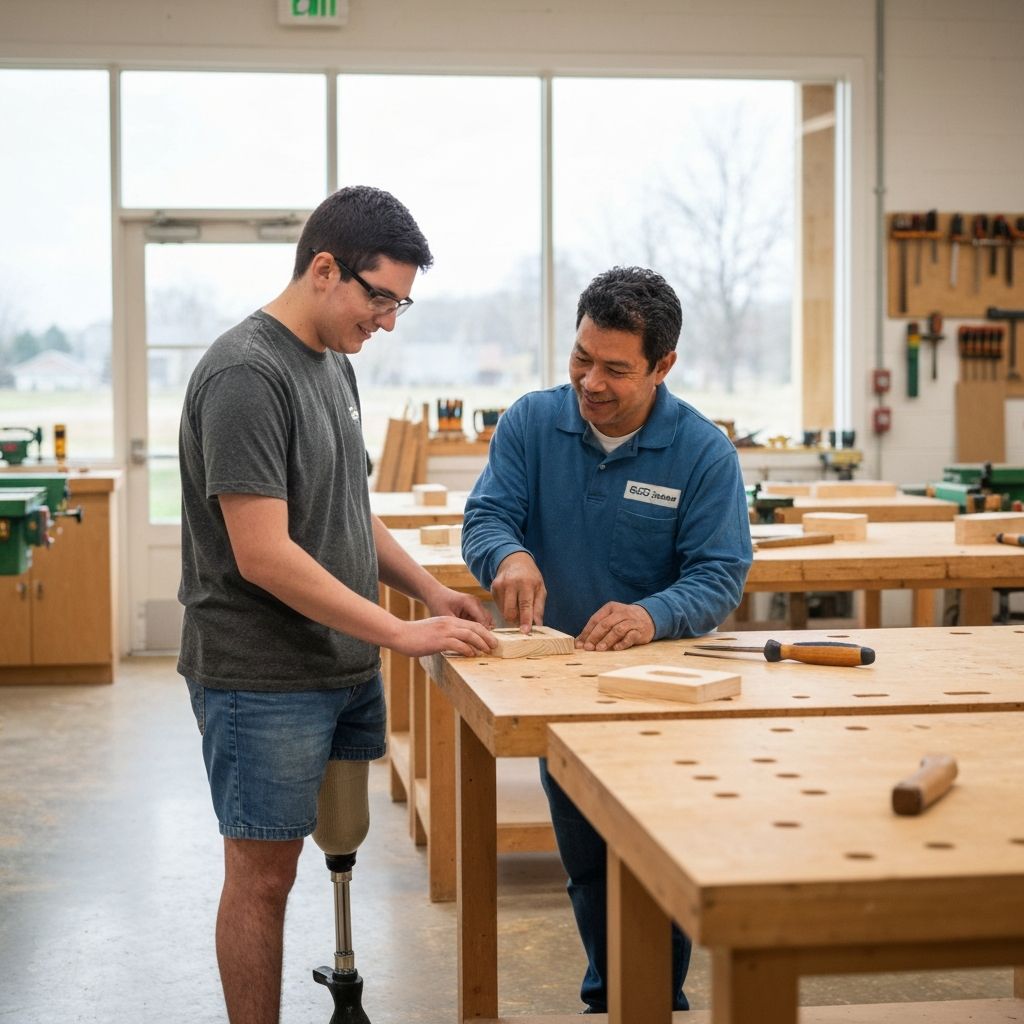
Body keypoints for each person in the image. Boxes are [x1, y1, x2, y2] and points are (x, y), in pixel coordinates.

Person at [177, 185, 496, 1024]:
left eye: (402, 303)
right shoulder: (247, 372)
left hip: (341, 666)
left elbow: (349, 510)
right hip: (263, 678)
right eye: (380, 296)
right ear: (325, 269)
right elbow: (264, 553)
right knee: (263, 875)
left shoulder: (333, 365)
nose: (388, 320)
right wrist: (399, 630)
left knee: (340, 846)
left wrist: (430, 590)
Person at [461, 265, 752, 1014]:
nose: (591, 381)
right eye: (581, 358)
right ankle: (615, 994)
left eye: (616, 369)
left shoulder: (702, 453)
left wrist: (652, 615)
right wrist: (509, 555)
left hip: (661, 689)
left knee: (658, 857)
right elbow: (486, 518)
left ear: (663, 366)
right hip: (561, 685)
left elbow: (720, 575)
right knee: (588, 859)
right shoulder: (532, 422)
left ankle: (652, 997)